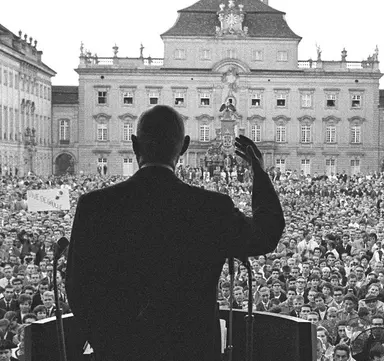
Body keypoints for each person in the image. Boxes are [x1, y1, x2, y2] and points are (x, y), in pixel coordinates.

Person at [66, 105, 285, 360]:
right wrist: (258, 172)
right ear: (184, 147)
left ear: (135, 145)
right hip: (191, 351)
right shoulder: (211, 208)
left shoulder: (95, 206)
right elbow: (266, 233)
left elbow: (77, 288)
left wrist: (109, 345)